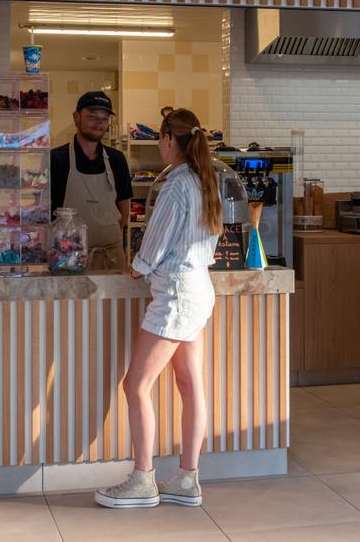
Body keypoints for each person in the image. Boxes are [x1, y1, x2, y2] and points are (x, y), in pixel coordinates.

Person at [94, 108, 222, 509]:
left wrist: (137, 266)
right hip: (198, 290)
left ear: (168, 139)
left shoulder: (176, 185)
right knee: (190, 385)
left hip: (176, 296)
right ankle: (186, 479)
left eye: (161, 139)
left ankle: (143, 479)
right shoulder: (205, 180)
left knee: (135, 385)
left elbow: (155, 243)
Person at [50, 91, 133, 271]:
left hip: (110, 255)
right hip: (68, 257)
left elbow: (124, 209)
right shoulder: (56, 159)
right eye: (92, 117)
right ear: (76, 117)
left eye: (104, 118)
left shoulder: (117, 159)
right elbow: (47, 212)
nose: (99, 123)